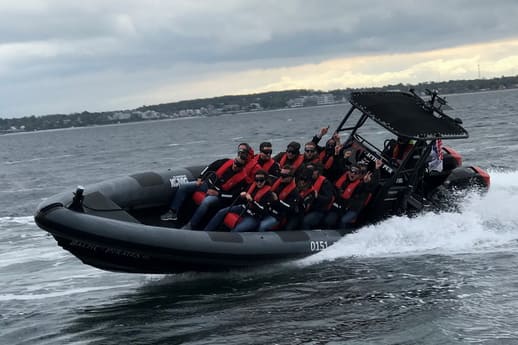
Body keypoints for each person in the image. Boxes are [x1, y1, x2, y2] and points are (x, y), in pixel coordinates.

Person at [161, 155, 249, 229]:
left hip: (219, 196)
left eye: (238, 165)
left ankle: (191, 225)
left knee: (206, 201)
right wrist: (201, 177)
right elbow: (210, 167)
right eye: (235, 162)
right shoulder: (225, 162)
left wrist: (219, 194)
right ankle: (173, 212)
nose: (235, 165)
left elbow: (234, 196)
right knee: (184, 187)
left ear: (242, 166)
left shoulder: (242, 179)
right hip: (207, 185)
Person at [204, 170, 275, 232]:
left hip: (254, 216)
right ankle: (207, 231)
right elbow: (239, 197)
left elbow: (264, 210)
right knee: (221, 212)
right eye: (257, 180)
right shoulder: (251, 186)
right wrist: (242, 196)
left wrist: (252, 201)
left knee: (237, 230)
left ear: (265, 180)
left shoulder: (269, 194)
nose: (259, 182)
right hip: (244, 208)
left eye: (261, 180)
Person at [324, 160, 381, 229]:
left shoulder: (362, 185)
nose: (352, 174)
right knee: (329, 220)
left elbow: (372, 186)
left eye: (355, 173)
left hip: (352, 209)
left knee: (343, 221)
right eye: (351, 172)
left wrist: (377, 169)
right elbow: (337, 168)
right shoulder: (343, 179)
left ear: (359, 175)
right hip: (339, 207)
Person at [293, 164, 335, 230]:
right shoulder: (304, 180)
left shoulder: (325, 183)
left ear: (317, 171)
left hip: (318, 210)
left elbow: (328, 199)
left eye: (312, 171)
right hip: (305, 207)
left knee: (305, 221)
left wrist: (317, 196)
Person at [267, 164, 301, 231]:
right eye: (281, 175)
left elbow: (290, 208)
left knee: (262, 226)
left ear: (291, 177)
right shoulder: (274, 182)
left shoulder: (294, 192)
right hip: (267, 210)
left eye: (284, 176)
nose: (281, 177)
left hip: (280, 215)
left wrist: (277, 200)